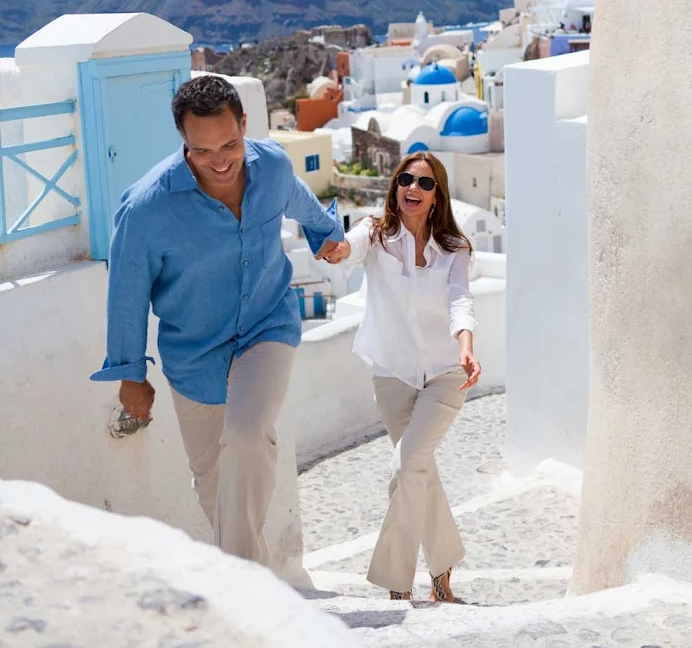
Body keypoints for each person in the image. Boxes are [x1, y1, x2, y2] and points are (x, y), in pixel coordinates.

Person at [91, 74, 343, 564]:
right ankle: (249, 575)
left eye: (229, 144)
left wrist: (328, 234)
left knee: (248, 435)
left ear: (244, 125)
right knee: (214, 486)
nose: (220, 161)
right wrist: (130, 375)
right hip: (194, 353)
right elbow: (127, 295)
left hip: (267, 325)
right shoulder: (146, 209)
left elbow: (302, 205)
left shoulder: (270, 165)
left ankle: (255, 599)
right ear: (183, 141)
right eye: (203, 151)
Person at [324, 151, 481, 603]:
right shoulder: (375, 234)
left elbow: (460, 303)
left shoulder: (454, 249)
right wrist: (334, 248)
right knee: (419, 470)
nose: (413, 188)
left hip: (447, 372)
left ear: (437, 196)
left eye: (425, 183)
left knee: (406, 463)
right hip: (392, 375)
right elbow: (346, 249)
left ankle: (396, 583)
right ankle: (443, 568)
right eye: (406, 179)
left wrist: (467, 347)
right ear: (396, 186)